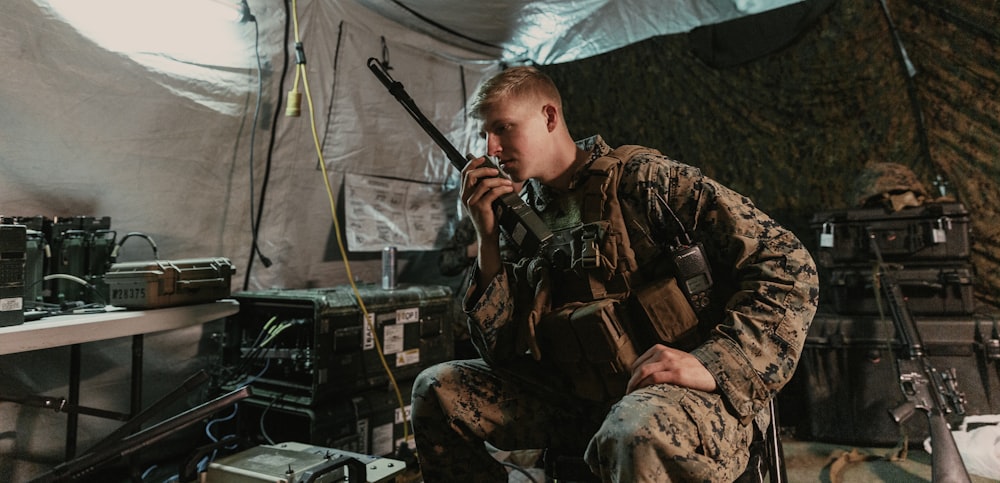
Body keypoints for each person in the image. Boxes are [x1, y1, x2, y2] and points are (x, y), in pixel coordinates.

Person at [410, 66, 819, 482]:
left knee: (633, 430)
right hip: (577, 398)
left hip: (679, 401)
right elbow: (501, 354)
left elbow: (788, 263)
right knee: (437, 390)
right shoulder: (519, 216)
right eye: (483, 135)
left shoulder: (646, 182)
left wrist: (717, 361)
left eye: (503, 128)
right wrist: (487, 238)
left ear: (549, 117)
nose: (491, 148)